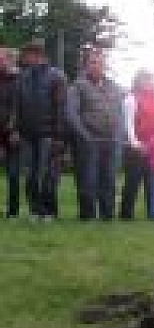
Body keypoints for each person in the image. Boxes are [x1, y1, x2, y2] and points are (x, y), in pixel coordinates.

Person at [14, 39, 68, 221]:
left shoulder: (57, 77)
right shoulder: (23, 77)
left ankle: (49, 211)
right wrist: (15, 129)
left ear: (38, 56)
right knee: (30, 175)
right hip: (27, 135)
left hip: (48, 134)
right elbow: (18, 107)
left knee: (47, 175)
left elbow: (60, 109)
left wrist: (59, 137)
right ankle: (34, 210)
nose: (24, 59)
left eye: (27, 55)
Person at [67, 49, 123, 220]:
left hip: (111, 140)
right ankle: (87, 216)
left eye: (100, 62)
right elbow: (71, 114)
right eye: (93, 62)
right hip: (88, 140)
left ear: (105, 65)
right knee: (88, 181)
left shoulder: (113, 86)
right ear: (87, 65)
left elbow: (120, 112)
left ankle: (107, 216)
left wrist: (118, 134)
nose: (97, 66)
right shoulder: (78, 86)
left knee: (109, 179)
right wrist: (85, 136)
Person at [120, 70, 154, 219]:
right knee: (133, 181)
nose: (149, 83)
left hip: (153, 147)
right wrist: (136, 144)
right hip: (136, 147)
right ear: (137, 81)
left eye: (151, 80)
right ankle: (126, 214)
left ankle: (153, 213)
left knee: (151, 182)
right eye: (145, 80)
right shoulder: (131, 98)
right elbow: (128, 124)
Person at [0, 47, 22, 219]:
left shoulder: (19, 80)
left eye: (2, 58)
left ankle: (12, 211)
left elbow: (20, 107)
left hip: (12, 132)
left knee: (13, 173)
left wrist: (15, 129)